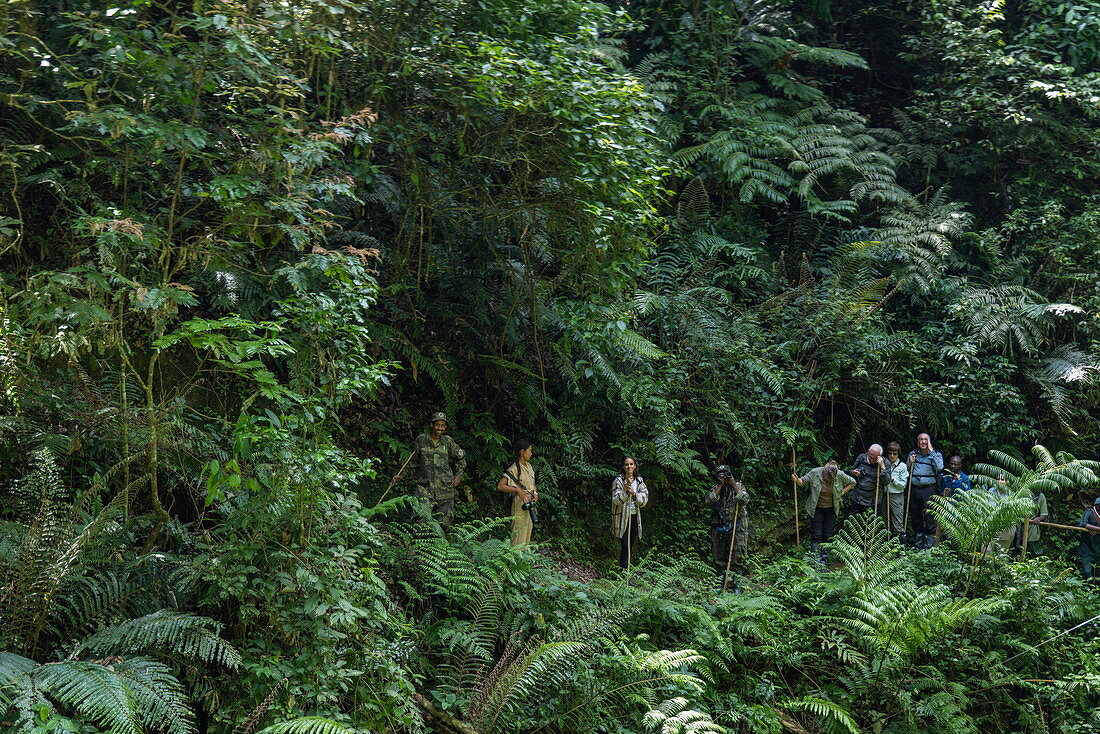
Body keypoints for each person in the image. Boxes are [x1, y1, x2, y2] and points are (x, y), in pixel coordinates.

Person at [395, 411, 466, 527]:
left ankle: (441, 545)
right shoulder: (422, 440)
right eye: (438, 425)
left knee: (444, 523)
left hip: (445, 490)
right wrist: (401, 475)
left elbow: (461, 458)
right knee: (422, 520)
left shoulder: (448, 442)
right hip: (425, 488)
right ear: (432, 425)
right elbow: (412, 461)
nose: (440, 428)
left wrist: (459, 475)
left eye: (443, 425)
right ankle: (419, 544)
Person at [792, 460, 855, 565]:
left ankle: (824, 561)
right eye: (826, 477)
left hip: (832, 509)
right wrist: (796, 479)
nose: (828, 479)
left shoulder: (840, 475)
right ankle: (816, 562)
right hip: (817, 509)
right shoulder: (815, 473)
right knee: (816, 535)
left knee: (828, 534)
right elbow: (802, 482)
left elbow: (852, 482)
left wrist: (842, 492)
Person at [706, 464, 748, 586]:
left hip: (736, 526)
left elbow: (745, 500)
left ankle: (737, 586)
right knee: (719, 558)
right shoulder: (715, 487)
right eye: (721, 474)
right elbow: (709, 500)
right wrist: (720, 485)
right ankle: (720, 584)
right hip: (719, 526)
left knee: (737, 557)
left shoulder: (738, 486)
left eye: (726, 473)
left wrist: (733, 484)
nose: (724, 476)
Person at [497, 438, 538, 547]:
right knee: (518, 532)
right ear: (522, 451)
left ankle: (523, 560)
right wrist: (517, 490)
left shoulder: (529, 466)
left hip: (530, 504)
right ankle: (515, 558)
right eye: (529, 451)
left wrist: (535, 493)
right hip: (520, 504)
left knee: (527, 531)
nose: (531, 453)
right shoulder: (514, 469)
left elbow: (532, 484)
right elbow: (501, 486)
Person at [907, 433, 944, 549]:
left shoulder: (935, 454)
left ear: (929, 441)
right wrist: (910, 463)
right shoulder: (913, 454)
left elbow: (939, 467)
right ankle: (918, 545)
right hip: (914, 489)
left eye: (925, 440)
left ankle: (928, 546)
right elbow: (907, 470)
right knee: (916, 516)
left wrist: (931, 451)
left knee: (929, 516)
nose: (923, 442)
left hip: (928, 488)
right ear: (918, 441)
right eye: (921, 440)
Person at [611, 456, 649, 568]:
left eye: (631, 464)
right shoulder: (618, 481)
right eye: (627, 464)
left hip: (634, 517)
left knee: (630, 545)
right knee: (625, 545)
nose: (629, 466)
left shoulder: (639, 481)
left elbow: (645, 498)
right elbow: (615, 500)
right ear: (623, 466)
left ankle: (625, 573)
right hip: (622, 517)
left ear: (635, 466)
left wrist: (635, 494)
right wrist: (626, 491)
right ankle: (624, 574)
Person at [849, 444, 888, 517]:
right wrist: (854, 473)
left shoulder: (885, 463)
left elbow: (886, 482)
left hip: (872, 501)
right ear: (868, 451)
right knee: (854, 523)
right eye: (870, 457)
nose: (872, 460)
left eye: (874, 458)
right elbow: (851, 471)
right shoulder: (861, 457)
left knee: (869, 525)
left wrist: (882, 467)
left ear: (880, 456)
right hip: (857, 497)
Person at [884, 442, 909, 538]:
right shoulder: (884, 464)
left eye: (894, 454)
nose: (891, 456)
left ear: (898, 454)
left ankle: (900, 547)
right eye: (890, 453)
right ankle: (886, 544)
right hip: (885, 494)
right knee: (884, 520)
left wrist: (892, 480)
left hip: (896, 495)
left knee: (897, 520)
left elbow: (903, 485)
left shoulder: (902, 466)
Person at [1016, 488, 1049, 558]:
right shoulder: (1022, 493)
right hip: (1019, 525)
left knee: (1033, 548)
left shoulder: (1040, 496)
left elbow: (1044, 514)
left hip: (1032, 525)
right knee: (1017, 548)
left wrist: (1038, 519)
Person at [1078, 496, 1100, 581]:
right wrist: (1097, 529)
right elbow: (1083, 524)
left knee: (1098, 574)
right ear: (1097, 506)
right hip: (1087, 549)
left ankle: (1095, 592)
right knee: (1087, 572)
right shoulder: (1089, 513)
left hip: (1098, 549)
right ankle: (1085, 591)